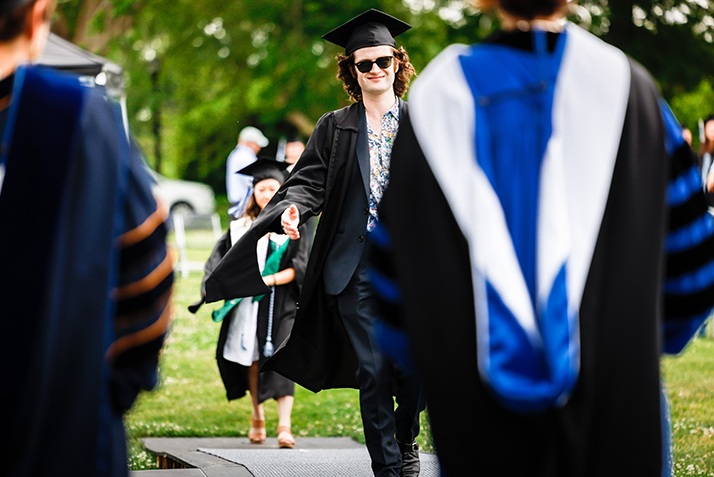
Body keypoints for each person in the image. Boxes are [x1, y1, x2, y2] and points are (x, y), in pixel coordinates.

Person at [367, 1, 714, 476]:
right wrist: (631, 342)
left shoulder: (435, 103)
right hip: (618, 412)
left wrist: (447, 357)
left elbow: (394, 286)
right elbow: (693, 273)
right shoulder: (634, 93)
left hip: (477, 427)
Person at [203, 9, 425, 477]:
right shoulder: (335, 126)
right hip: (354, 266)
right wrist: (292, 209)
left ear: (396, 61)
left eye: (383, 60)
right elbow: (306, 183)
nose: (375, 70)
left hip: (412, 265)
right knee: (374, 370)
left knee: (414, 371)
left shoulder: (424, 122)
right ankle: (390, 469)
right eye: (364, 64)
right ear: (352, 71)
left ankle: (406, 437)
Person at [1, 0, 173, 475]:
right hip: (63, 439)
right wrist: (98, 398)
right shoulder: (81, 118)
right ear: (38, 14)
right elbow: (149, 282)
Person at [204, 159, 309, 449]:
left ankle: (285, 426)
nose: (266, 193)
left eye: (272, 188)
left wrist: (271, 279)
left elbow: (303, 266)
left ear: (281, 190)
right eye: (261, 188)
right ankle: (257, 415)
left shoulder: (294, 220)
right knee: (252, 360)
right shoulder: (241, 227)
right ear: (254, 193)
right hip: (251, 304)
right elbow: (221, 263)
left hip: (284, 301)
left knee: (284, 358)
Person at [226, 125, 269, 218]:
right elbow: (253, 181)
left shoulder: (235, 154)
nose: (259, 148)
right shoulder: (246, 156)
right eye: (257, 144)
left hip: (236, 204)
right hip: (244, 206)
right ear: (251, 143)